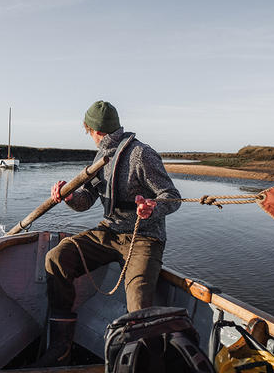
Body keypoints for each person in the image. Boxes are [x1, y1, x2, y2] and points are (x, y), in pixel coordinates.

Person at [36, 100, 181, 367]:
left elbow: (173, 197)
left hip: (144, 237)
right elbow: (85, 202)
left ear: (93, 129)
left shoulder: (142, 154)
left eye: (88, 130)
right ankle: (60, 346)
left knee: (137, 301)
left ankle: (145, 363)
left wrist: (152, 208)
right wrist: (67, 196)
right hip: (110, 232)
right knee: (57, 258)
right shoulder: (101, 156)